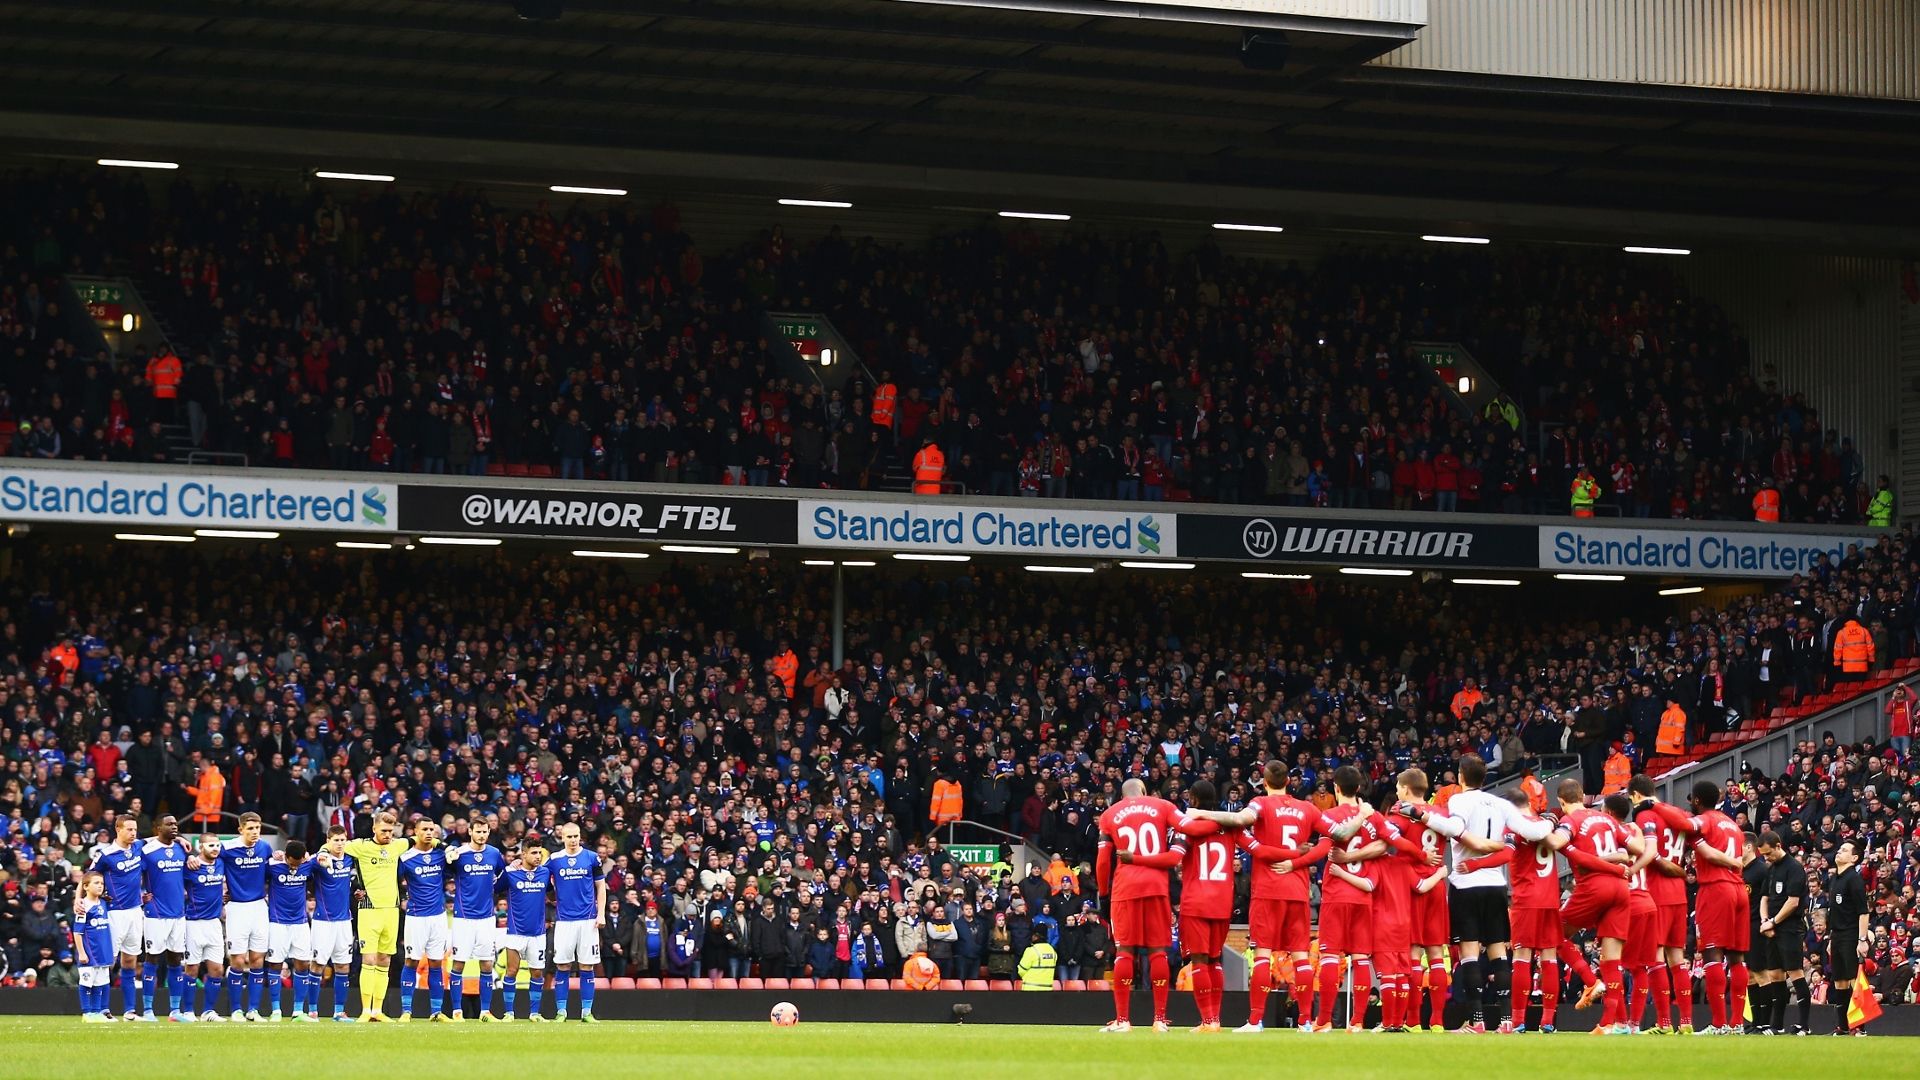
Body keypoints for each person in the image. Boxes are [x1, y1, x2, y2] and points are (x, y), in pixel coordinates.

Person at [1184, 760, 1337, 1032]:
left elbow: (1243, 824)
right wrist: (1299, 860)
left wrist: (1202, 814)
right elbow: (1332, 838)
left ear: (1264, 782)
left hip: (1267, 891)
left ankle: (1255, 1020)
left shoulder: (1260, 804)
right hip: (1298, 890)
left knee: (1263, 955)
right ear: (1288, 781)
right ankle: (1304, 1021)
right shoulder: (1307, 808)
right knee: (1301, 956)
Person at [1404, 752, 1548, 1033]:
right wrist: (1553, 822)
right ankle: (1506, 1023)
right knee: (1498, 953)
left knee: (1469, 953)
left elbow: (1455, 828)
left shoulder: (1459, 799)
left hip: (1466, 884)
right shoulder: (1500, 802)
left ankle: (1477, 1021)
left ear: (1460, 777)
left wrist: (1420, 813)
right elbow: (1530, 831)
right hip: (1496, 886)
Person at [1650, 779, 1752, 1034]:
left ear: (1697, 801)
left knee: (1712, 955)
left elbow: (1684, 824)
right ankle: (1737, 1023)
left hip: (1716, 889)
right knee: (1737, 958)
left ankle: (1719, 1024)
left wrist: (1655, 804)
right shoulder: (1733, 825)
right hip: (1739, 889)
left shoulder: (1706, 820)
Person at [1542, 781, 1636, 1034]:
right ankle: (1612, 1024)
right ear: (1583, 796)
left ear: (1562, 802)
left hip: (1594, 886)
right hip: (1620, 887)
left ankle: (1590, 981)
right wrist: (1619, 862)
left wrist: (1548, 823)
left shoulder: (1570, 821)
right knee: (1612, 959)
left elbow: (1554, 842)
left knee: (1551, 932)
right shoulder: (1606, 819)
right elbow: (1637, 849)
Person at [1094, 777, 1186, 1033]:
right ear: (1144, 791)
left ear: (1122, 795)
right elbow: (1185, 827)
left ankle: (1123, 1020)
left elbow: (1103, 861)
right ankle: (1159, 1019)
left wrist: (1103, 892)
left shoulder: (1110, 814)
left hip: (1125, 889)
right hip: (1157, 887)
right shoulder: (1162, 806)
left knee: (1125, 952)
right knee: (1158, 952)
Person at [1314, 765, 1392, 1033]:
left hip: (1336, 892)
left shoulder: (1329, 814)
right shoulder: (1373, 816)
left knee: (1329, 957)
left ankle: (1323, 1021)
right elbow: (1385, 843)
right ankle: (1357, 1021)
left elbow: (1335, 840)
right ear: (1358, 788)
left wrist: (1347, 857)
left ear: (1336, 788)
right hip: (1363, 894)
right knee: (1360, 958)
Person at [1629, 775, 1694, 1033]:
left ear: (1634, 795)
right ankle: (1687, 1023)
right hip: (1678, 892)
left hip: (1656, 891)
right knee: (1677, 959)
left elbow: (1649, 852)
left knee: (1655, 958)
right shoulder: (1675, 812)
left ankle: (1665, 1022)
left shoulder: (1645, 817)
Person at [331, 808, 409, 1021]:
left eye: (391, 831)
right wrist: (321, 854)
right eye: (384, 830)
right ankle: (366, 1010)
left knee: (385, 959)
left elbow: (419, 840)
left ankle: (378, 1010)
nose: (388, 835)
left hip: (391, 912)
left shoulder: (397, 845)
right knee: (369, 958)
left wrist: (444, 847)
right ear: (374, 828)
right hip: (368, 910)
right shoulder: (360, 846)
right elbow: (332, 844)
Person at [1170, 780, 1234, 1031]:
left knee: (1199, 961)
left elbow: (1174, 857)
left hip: (1196, 901)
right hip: (1222, 901)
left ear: (1194, 800)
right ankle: (1216, 1019)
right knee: (1215, 960)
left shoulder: (1188, 827)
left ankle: (1208, 1021)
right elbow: (1254, 845)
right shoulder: (1230, 826)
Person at [1393, 769, 1451, 1032]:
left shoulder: (1400, 814)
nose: (1396, 791)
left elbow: (1387, 838)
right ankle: (1437, 1020)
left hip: (1411, 885)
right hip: (1437, 885)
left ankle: (1414, 1020)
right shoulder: (1441, 814)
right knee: (1437, 954)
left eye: (1397, 787)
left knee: (1413, 954)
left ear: (1406, 789)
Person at [1605, 794, 1663, 1033]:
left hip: (1627, 904)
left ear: (1608, 813)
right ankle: (1634, 1024)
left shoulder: (1608, 834)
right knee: (1640, 968)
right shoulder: (1635, 830)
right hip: (1648, 902)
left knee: (1613, 963)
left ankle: (1620, 1023)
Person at [213, 812, 274, 1021]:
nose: (255, 832)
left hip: (259, 907)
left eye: (257, 828)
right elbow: (210, 860)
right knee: (238, 961)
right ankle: (236, 1009)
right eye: (250, 828)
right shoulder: (227, 848)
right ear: (240, 830)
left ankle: (253, 1010)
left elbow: (269, 873)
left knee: (257, 960)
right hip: (237, 908)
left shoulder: (265, 847)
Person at [86, 817, 146, 1020]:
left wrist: (181, 839)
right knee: (107, 961)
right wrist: (80, 900)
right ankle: (101, 1008)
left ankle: (129, 1010)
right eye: (129, 829)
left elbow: (158, 839)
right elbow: (88, 877)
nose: (133, 833)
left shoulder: (138, 846)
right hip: (114, 913)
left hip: (136, 911)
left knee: (130, 960)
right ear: (118, 830)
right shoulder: (106, 855)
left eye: (135, 829)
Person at [549, 821, 607, 1022]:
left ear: (580, 836)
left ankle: (586, 1012)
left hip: (588, 920)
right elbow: (540, 878)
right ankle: (561, 1012)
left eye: (576, 836)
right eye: (569, 836)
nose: (573, 840)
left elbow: (601, 887)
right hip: (564, 921)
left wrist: (601, 914)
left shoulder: (591, 858)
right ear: (562, 837)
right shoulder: (554, 859)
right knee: (563, 966)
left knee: (587, 966)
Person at [448, 817, 506, 1021]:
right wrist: (447, 855)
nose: (481, 835)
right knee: (458, 964)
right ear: (470, 832)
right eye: (478, 831)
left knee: (487, 965)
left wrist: (494, 889)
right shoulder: (459, 854)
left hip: (486, 918)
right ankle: (456, 1011)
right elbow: (446, 872)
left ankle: (485, 1011)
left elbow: (502, 876)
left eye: (485, 832)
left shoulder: (494, 853)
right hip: (463, 917)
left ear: (489, 832)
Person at [1754, 832, 1810, 1035]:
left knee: (1795, 972)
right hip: (1771, 928)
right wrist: (1764, 921)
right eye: (1763, 855)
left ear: (1778, 846)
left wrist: (1773, 922)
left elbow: (1793, 902)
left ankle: (1804, 1025)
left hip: (1790, 929)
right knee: (1775, 974)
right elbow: (1764, 898)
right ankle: (1777, 1025)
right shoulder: (1771, 869)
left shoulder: (1794, 868)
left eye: (1768, 853)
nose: (1766, 858)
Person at [395, 819, 451, 1021]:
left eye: (432, 829)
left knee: (437, 962)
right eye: (424, 829)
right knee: (411, 961)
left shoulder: (441, 855)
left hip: (438, 916)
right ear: (415, 832)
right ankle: (406, 1011)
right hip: (416, 917)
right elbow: (394, 882)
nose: (429, 832)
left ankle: (436, 1012)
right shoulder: (406, 858)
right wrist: (402, 899)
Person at [139, 814, 190, 1021]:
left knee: (176, 960)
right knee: (152, 958)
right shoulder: (147, 851)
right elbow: (135, 875)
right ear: (157, 828)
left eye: (175, 823)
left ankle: (175, 1011)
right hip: (156, 914)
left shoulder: (182, 849)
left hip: (178, 913)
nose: (174, 826)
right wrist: (141, 894)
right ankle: (148, 1010)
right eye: (169, 824)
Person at [499, 840, 553, 1021]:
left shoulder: (545, 873)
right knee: (511, 971)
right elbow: (494, 888)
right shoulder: (510, 873)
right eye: (534, 853)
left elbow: (552, 894)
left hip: (537, 934)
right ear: (523, 855)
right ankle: (509, 1013)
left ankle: (535, 1013)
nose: (538, 856)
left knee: (537, 973)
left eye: (540, 853)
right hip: (515, 932)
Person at [264, 840, 317, 1021]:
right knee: (275, 964)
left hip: (301, 923)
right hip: (278, 922)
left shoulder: (307, 865)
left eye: (298, 863)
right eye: (292, 863)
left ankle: (298, 1011)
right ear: (285, 857)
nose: (295, 867)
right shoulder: (273, 866)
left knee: (303, 964)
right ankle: (276, 1010)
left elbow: (322, 857)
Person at [309, 825, 357, 1022]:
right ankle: (312, 1010)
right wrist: (320, 853)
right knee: (318, 965)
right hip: (323, 921)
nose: (339, 844)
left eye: (342, 840)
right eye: (335, 840)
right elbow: (304, 866)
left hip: (345, 921)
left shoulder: (350, 858)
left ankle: (339, 1012)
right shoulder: (317, 860)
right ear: (328, 840)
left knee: (343, 967)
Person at [182, 835, 229, 1022]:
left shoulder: (221, 862)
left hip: (214, 923)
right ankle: (187, 1011)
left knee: (217, 969)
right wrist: (189, 856)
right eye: (211, 845)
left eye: (217, 845)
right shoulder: (190, 866)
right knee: (192, 968)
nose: (215, 848)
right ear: (201, 846)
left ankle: (209, 1011)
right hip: (193, 922)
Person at [1826, 840, 1871, 1035]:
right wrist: (1830, 938)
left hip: (1851, 935)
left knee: (1854, 980)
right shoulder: (1835, 878)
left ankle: (1859, 1027)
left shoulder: (1854, 879)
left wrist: (1862, 940)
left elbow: (1863, 912)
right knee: (1839, 981)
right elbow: (1834, 912)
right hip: (1836, 935)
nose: (1839, 852)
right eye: (1839, 848)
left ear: (1854, 858)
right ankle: (1843, 1027)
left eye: (1844, 850)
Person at [75, 872, 114, 1022]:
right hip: (89, 952)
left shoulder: (103, 903)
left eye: (102, 883)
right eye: (96, 883)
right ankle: (86, 1012)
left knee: (100, 983)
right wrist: (82, 953)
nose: (100, 886)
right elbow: (77, 932)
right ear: (85, 886)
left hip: (103, 952)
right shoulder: (83, 906)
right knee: (86, 983)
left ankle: (97, 1012)